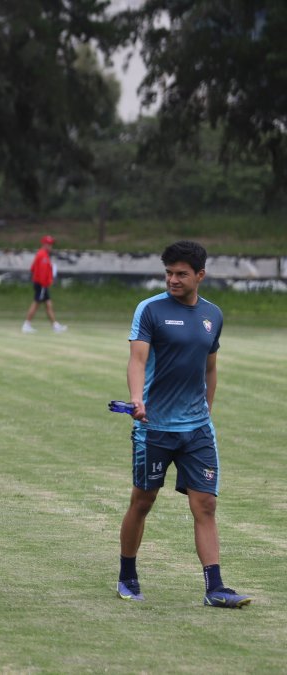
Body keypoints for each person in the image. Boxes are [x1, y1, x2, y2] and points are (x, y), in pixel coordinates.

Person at [116, 240, 252, 608]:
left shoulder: (212, 315)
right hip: (154, 427)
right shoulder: (150, 310)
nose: (172, 280)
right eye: (169, 273)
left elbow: (210, 368)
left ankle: (215, 588)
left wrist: (206, 412)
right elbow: (137, 360)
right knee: (143, 501)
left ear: (200, 275)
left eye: (181, 274)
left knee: (205, 504)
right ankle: (127, 575)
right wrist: (137, 398)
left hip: (197, 429)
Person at [22, 235, 67, 334]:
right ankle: (26, 325)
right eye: (49, 244)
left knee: (48, 305)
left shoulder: (41, 254)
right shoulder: (43, 256)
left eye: (51, 244)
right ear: (45, 244)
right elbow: (42, 272)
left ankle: (55, 326)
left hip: (41, 284)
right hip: (41, 284)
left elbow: (32, 268)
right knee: (36, 304)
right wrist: (45, 282)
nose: (51, 247)